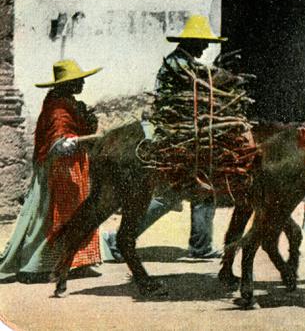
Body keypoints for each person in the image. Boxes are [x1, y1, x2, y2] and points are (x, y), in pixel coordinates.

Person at [104, 15, 226, 261]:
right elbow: (196, 93)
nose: (204, 48)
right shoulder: (181, 65)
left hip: (180, 132)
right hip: (177, 135)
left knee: (197, 190)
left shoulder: (182, 62)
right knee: (171, 194)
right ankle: (120, 241)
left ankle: (200, 246)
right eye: (202, 43)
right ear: (191, 41)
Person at [0, 59, 103, 282]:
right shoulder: (58, 109)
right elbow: (58, 142)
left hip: (72, 168)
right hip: (58, 170)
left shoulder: (67, 103)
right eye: (78, 80)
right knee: (50, 217)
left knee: (77, 213)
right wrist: (75, 141)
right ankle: (35, 266)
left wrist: (87, 121)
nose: (83, 83)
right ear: (67, 84)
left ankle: (78, 262)